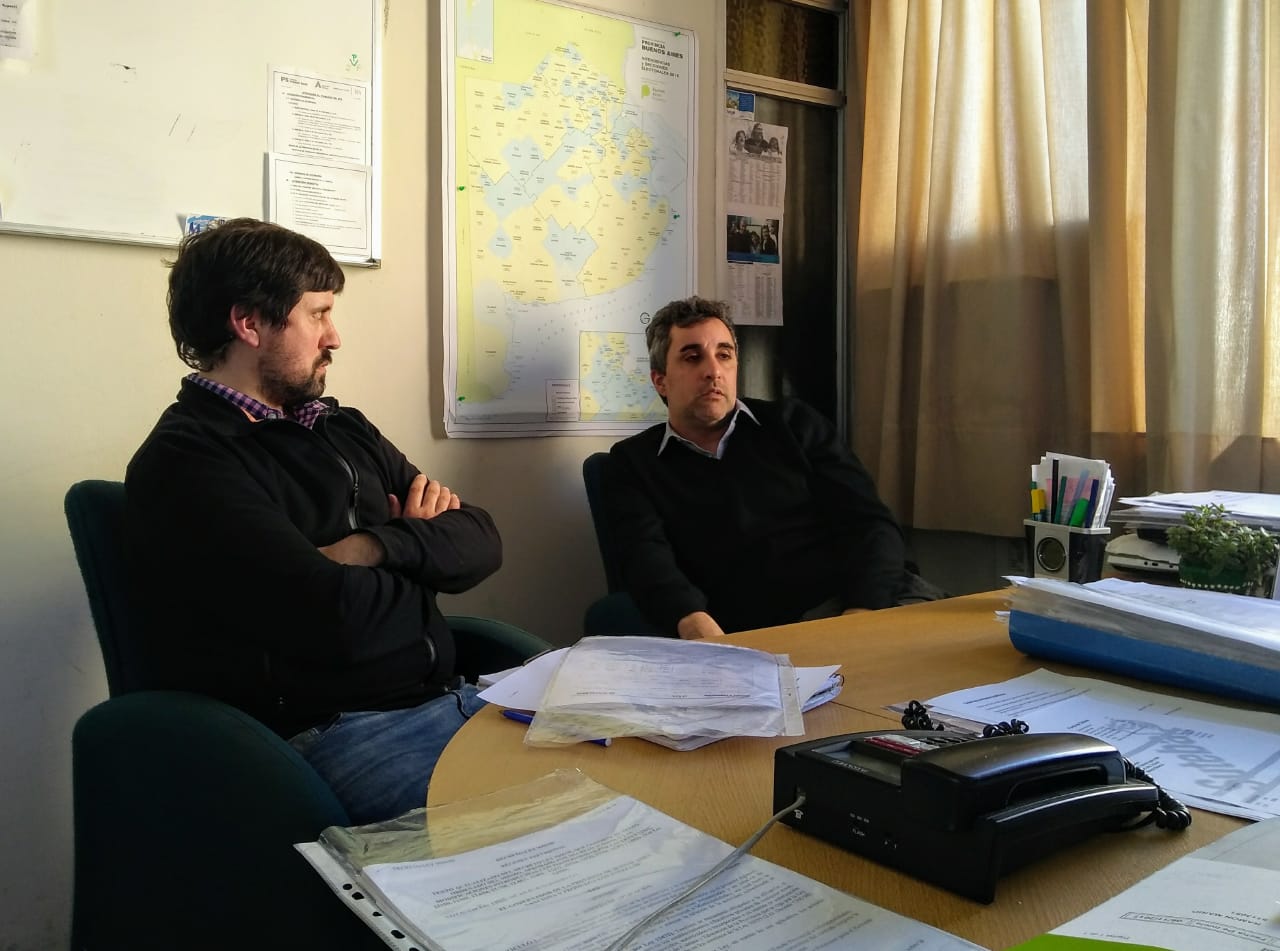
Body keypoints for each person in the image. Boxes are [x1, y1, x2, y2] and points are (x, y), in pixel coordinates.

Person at [126, 218, 504, 824]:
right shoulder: (187, 460)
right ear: (250, 323)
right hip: (336, 734)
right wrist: (422, 552)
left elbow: (482, 541)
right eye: (318, 314)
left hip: (452, 700)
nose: (335, 337)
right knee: (543, 829)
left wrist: (369, 548)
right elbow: (328, 613)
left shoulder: (341, 426)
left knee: (628, 776)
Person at [602, 296, 943, 639]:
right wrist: (692, 621)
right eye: (693, 357)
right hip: (771, 627)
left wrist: (860, 613)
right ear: (660, 381)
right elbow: (644, 557)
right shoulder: (632, 463)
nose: (713, 371)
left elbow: (871, 523)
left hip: (866, 600)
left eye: (724, 355)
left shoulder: (794, 424)